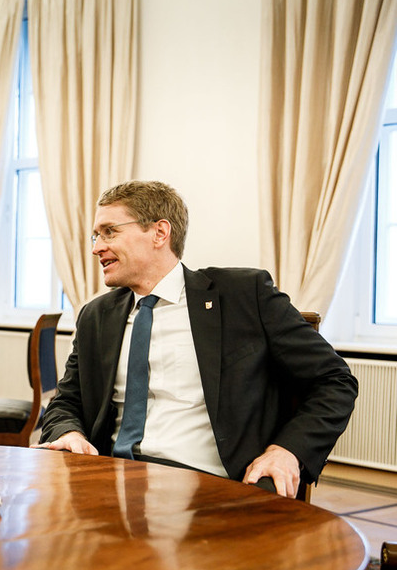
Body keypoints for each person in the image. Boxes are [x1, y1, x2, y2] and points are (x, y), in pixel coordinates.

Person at [36, 180, 357, 498]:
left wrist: (287, 451)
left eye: (109, 231)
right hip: (111, 485)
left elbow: (335, 381)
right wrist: (68, 432)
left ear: (160, 233)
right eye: (96, 235)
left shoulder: (244, 297)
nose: (96, 247)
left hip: (215, 490)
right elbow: (66, 401)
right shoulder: (96, 316)